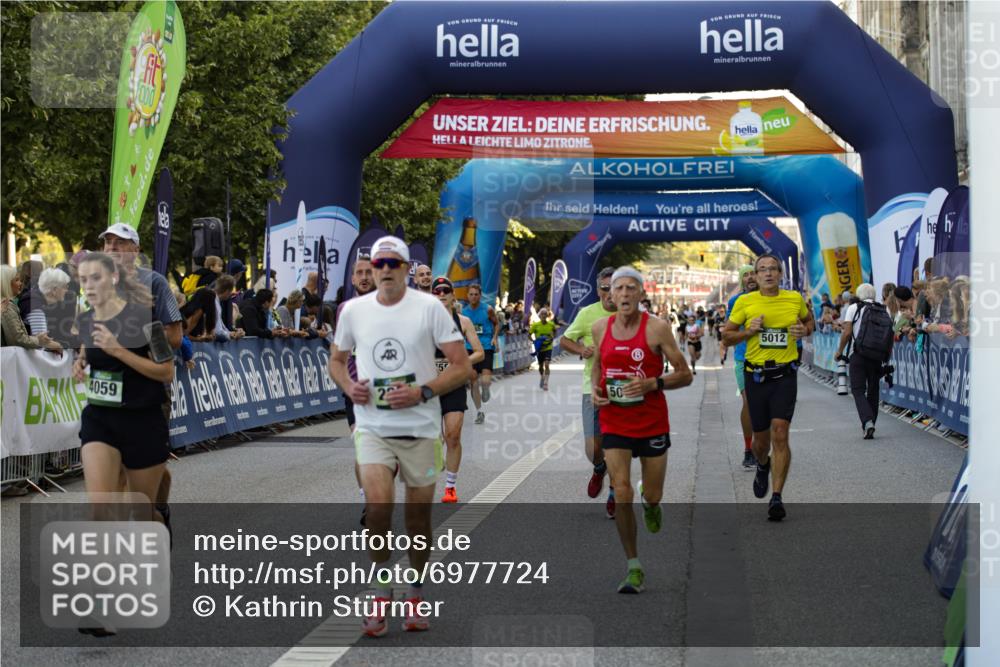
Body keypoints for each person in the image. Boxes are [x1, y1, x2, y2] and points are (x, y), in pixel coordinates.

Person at [329, 236, 472, 637]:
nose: (386, 270)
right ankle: (380, 592)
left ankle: (416, 592)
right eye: (380, 264)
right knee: (377, 510)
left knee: (417, 521)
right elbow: (336, 361)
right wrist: (349, 386)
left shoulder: (429, 309)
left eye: (394, 263)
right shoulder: (353, 311)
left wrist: (423, 392)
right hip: (373, 427)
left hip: (420, 429)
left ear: (408, 269)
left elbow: (461, 366)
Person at [71, 253, 174, 636]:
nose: (88, 286)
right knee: (101, 509)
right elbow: (89, 353)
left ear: (113, 277)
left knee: (139, 514)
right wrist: (81, 363)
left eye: (95, 278)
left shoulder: (146, 319)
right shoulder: (85, 320)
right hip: (100, 420)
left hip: (143, 421)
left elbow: (166, 371)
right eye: (83, 280)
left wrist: (119, 351)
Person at [590, 266, 692, 593]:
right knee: (621, 491)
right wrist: (595, 390)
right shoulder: (599, 328)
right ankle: (633, 566)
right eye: (618, 288)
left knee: (652, 494)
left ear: (641, 294)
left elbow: (685, 374)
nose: (624, 294)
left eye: (630, 288)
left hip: (651, 422)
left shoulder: (657, 328)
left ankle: (651, 504)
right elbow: (597, 366)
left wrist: (652, 383)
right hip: (614, 420)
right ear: (610, 295)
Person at [723, 254, 814, 521]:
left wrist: (805, 330)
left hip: (785, 375)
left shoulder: (794, 299)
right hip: (756, 377)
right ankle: (762, 464)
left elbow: (810, 321)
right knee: (761, 443)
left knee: (781, 433)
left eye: (773, 269)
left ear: (780, 274)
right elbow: (726, 336)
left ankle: (776, 497)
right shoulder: (745, 302)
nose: (768, 273)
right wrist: (748, 332)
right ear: (756, 275)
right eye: (762, 269)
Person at [560, 267, 618, 519]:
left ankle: (615, 493)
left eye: (615, 287)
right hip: (591, 387)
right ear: (598, 290)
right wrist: (580, 350)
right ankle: (599, 467)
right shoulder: (587, 314)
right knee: (593, 447)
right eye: (605, 288)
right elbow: (565, 340)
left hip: (622, 388)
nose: (610, 293)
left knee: (616, 445)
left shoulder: (631, 315)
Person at [431, 277, 484, 503]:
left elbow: (479, 352)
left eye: (446, 290)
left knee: (452, 434)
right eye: (437, 291)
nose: (441, 294)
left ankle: (450, 487)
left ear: (453, 295)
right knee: (433, 439)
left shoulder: (463, 322)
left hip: (454, 384)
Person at [336, 254, 377, 524]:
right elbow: (339, 353)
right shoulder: (345, 309)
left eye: (368, 272)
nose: (363, 277)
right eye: (359, 273)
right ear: (352, 279)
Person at [835, 283, 891, 439]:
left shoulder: (854, 308)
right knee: (873, 389)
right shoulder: (884, 309)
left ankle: (867, 422)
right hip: (877, 355)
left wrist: (839, 351)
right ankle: (871, 421)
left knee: (858, 389)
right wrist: (886, 356)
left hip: (858, 353)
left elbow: (847, 333)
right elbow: (889, 335)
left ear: (859, 295)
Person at [726, 265, 758, 468]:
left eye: (753, 273)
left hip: (769, 358)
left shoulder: (771, 298)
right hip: (743, 358)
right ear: (741, 280)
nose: (750, 277)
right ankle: (748, 450)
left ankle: (762, 445)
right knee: (748, 402)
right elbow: (729, 331)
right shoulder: (735, 301)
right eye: (746, 275)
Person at [1, 264, 62, 352]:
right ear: (6, 284)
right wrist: (39, 341)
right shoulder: (6, 306)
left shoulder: (9, 304)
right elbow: (17, 339)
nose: (20, 283)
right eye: (16, 280)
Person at [462, 283, 498, 425]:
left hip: (486, 347)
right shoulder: (463, 312)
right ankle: (479, 411)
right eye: (471, 294)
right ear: (467, 296)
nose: (473, 297)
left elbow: (496, 324)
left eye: (476, 294)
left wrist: (495, 338)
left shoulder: (488, 309)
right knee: (473, 381)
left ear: (480, 295)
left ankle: (486, 388)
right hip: (470, 348)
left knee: (485, 381)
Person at [35, 267, 79, 348]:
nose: (67, 290)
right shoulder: (40, 311)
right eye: (65, 287)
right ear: (54, 290)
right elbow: (52, 340)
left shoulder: (48, 307)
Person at [529, 307, 557, 390]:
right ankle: (542, 376)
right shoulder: (535, 325)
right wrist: (534, 341)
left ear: (547, 315)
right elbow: (529, 334)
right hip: (540, 349)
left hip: (548, 347)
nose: (544, 315)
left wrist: (553, 337)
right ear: (540, 315)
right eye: (542, 314)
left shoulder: (551, 324)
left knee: (547, 364)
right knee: (541, 367)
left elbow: (555, 331)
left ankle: (546, 383)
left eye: (545, 314)